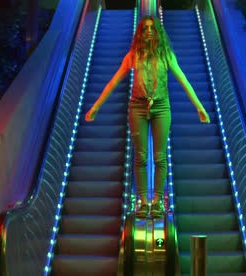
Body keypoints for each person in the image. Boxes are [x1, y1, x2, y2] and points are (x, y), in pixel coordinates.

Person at [85, 15, 210, 218]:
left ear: (158, 32)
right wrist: (96, 107)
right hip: (138, 107)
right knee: (141, 156)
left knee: (160, 157)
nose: (149, 31)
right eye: (145, 28)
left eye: (152, 28)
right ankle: (143, 202)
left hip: (161, 106)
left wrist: (199, 107)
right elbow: (113, 81)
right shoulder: (133, 55)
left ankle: (158, 202)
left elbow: (183, 79)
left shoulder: (166, 55)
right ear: (141, 33)